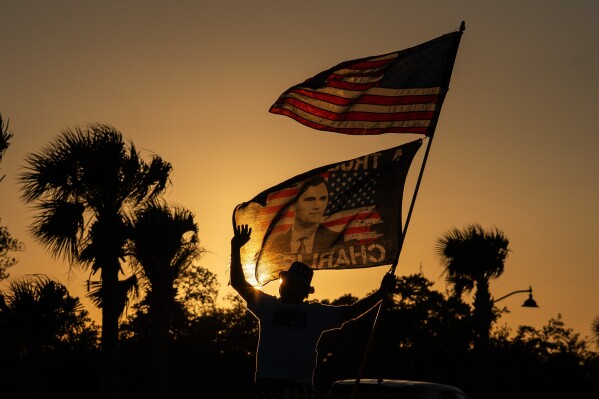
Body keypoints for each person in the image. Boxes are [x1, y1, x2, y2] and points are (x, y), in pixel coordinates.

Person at [231, 224, 396, 399]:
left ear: (304, 291)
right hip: (265, 386)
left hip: (298, 389)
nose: (287, 286)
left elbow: (351, 312)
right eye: (286, 282)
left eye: (293, 283)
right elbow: (238, 283)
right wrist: (235, 248)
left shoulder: (315, 313)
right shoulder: (267, 305)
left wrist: (380, 294)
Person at [267, 176, 339, 256]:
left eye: (323, 199)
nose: (317, 206)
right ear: (294, 204)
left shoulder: (335, 239)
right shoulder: (277, 243)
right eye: (310, 200)